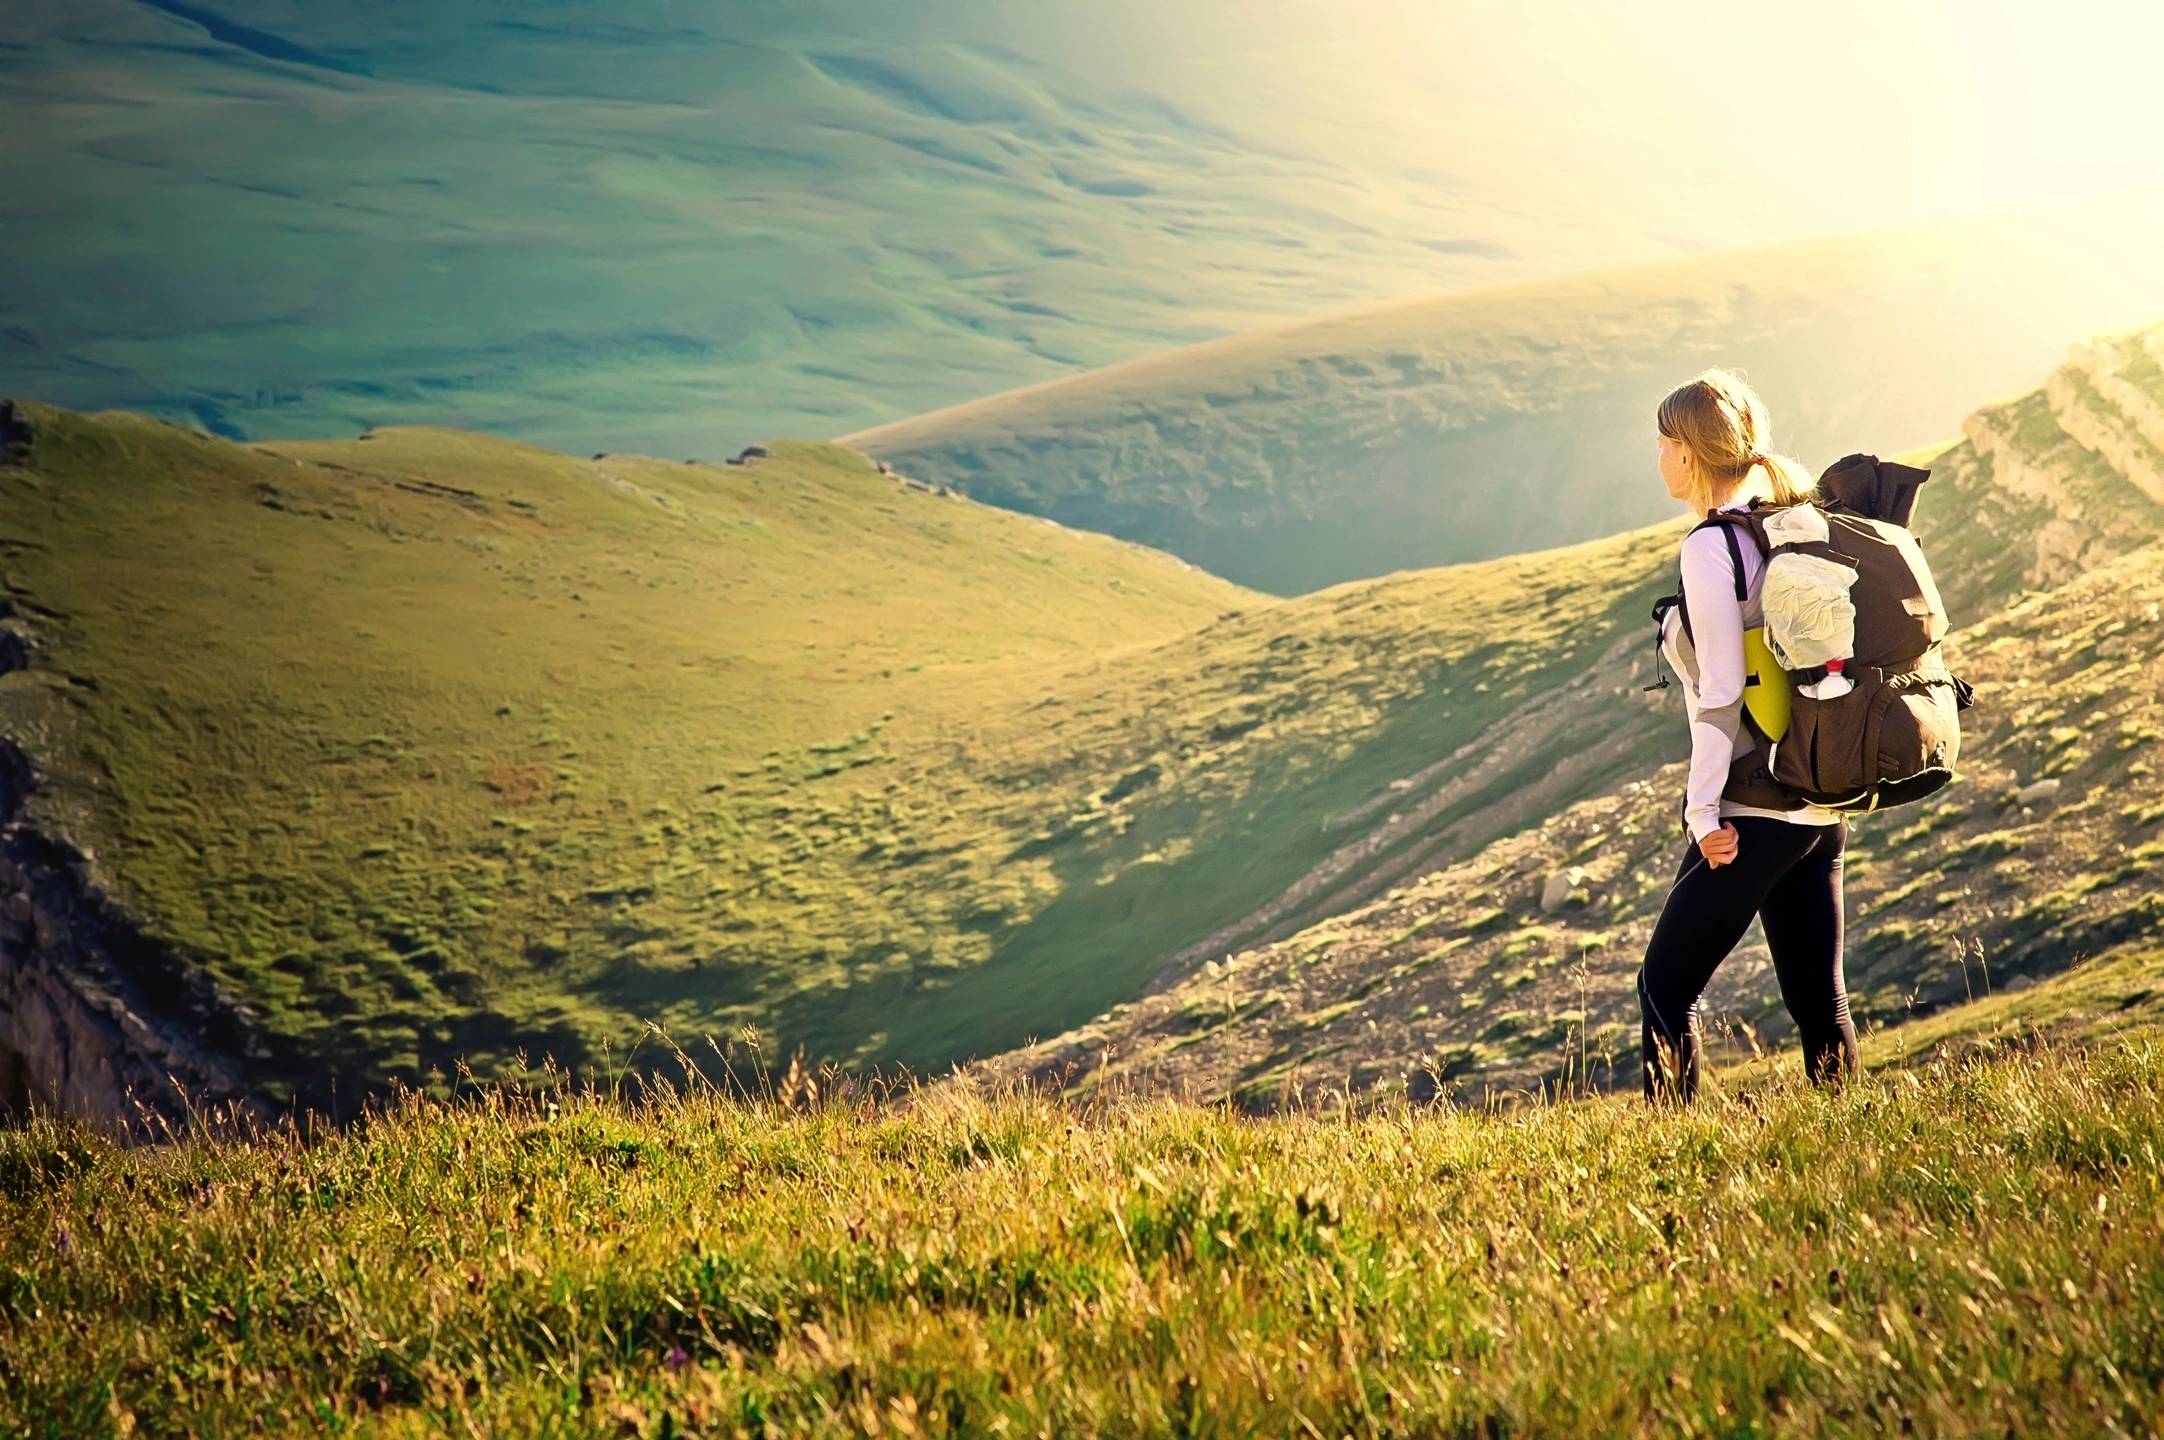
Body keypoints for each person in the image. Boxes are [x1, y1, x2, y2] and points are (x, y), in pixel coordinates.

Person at [1637, 368, 1860, 1103]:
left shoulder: (1712, 548)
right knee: (1817, 1000)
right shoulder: (1788, 523)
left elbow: (1723, 692)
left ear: (1690, 453)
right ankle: (1852, 1134)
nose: (1658, 457)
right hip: (1817, 802)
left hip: (1754, 804)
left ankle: (1671, 1150)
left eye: (1664, 442)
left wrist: (1703, 815)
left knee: (1665, 987)